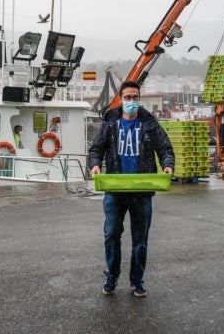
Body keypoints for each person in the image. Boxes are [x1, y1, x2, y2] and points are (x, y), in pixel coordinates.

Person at [88, 80, 175, 297]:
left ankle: (137, 280)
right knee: (111, 235)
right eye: (128, 98)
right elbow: (96, 149)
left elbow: (165, 148)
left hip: (142, 190)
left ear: (139, 98)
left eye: (135, 98)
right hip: (115, 190)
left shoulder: (149, 123)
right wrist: (95, 165)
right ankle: (112, 275)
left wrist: (167, 165)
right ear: (121, 98)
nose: (132, 102)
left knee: (140, 239)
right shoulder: (110, 123)